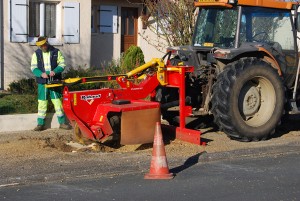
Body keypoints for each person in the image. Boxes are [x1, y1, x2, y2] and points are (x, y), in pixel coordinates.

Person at [31, 36, 71, 131]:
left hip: (54, 81)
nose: (43, 47)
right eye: (41, 46)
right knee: (42, 103)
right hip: (42, 83)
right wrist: (41, 74)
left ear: (47, 43)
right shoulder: (36, 54)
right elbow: (33, 67)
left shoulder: (56, 52)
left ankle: (62, 123)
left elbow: (62, 64)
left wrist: (55, 71)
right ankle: (40, 124)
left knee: (57, 102)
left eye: (44, 45)